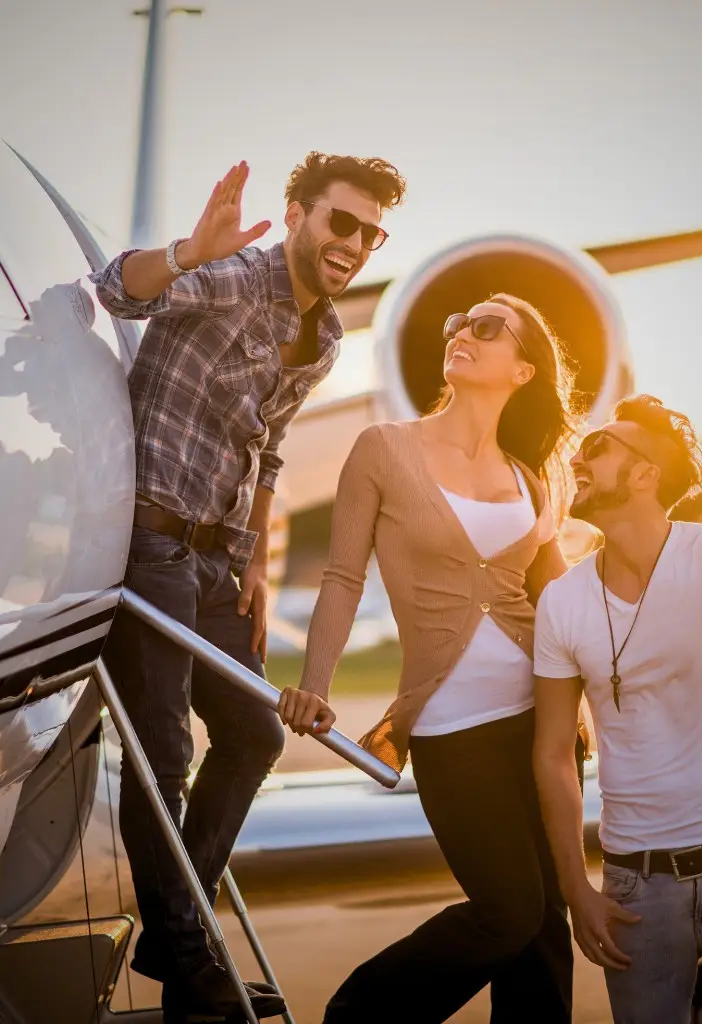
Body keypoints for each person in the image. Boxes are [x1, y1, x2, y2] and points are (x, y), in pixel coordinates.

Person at [92, 151, 406, 1020]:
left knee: (255, 734)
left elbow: (266, 452)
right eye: (340, 221)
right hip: (150, 544)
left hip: (214, 561)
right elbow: (118, 290)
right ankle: (192, 961)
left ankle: (171, 931)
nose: (355, 242)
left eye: (372, 232)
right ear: (299, 213)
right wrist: (190, 250)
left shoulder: (331, 335)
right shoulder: (232, 278)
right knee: (163, 754)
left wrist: (258, 568)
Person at [279, 294, 586, 1023]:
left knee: (546, 932)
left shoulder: (532, 475)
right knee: (510, 912)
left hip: (541, 726)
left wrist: (607, 697)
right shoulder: (384, 448)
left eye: (486, 328)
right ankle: (359, 1013)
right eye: (457, 324)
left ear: (523, 369)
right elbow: (343, 576)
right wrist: (314, 683)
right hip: (453, 731)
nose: (460, 335)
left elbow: (560, 605)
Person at [532, 395, 702, 1024]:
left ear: (644, 475)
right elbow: (555, 752)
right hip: (637, 887)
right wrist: (575, 887)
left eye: (600, 446)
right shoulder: (562, 602)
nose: (579, 455)